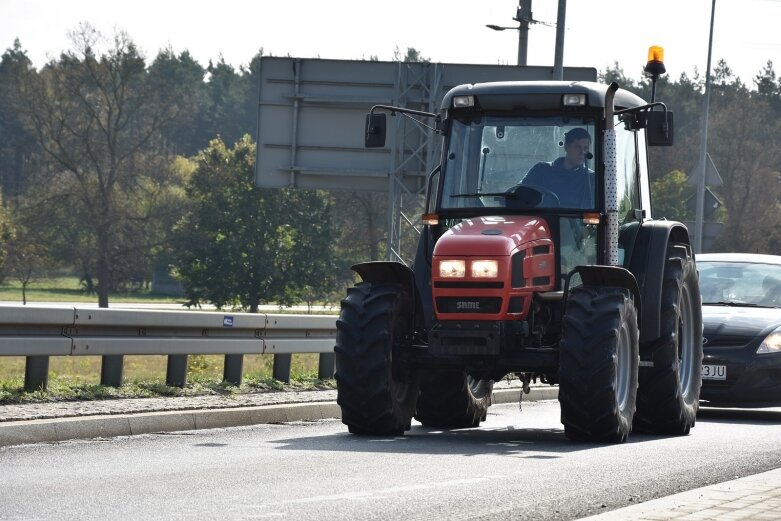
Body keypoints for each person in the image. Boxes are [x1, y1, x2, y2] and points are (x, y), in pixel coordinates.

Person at [521, 127, 595, 208]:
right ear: (566, 147)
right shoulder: (540, 170)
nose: (582, 152)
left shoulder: (591, 179)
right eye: (577, 147)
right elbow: (519, 195)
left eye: (585, 148)